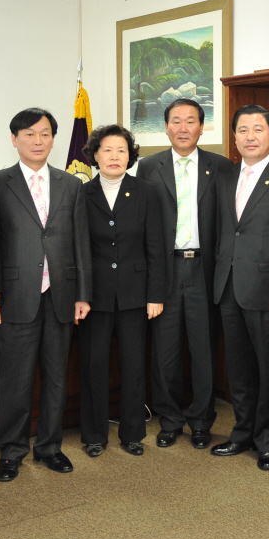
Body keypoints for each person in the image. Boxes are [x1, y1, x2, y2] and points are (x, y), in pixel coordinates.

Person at [0, 108, 92, 482]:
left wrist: (83, 293)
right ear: (14, 139)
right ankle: (11, 451)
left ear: (53, 139)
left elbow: (81, 243)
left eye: (45, 134)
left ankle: (50, 447)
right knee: (15, 379)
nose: (37, 141)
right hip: (15, 296)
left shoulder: (71, 184)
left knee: (57, 377)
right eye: (29, 134)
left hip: (60, 296)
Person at [211, 104, 269, 471]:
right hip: (229, 287)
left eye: (257, 129)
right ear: (234, 138)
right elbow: (224, 232)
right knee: (238, 370)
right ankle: (242, 433)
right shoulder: (224, 177)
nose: (250, 136)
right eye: (243, 130)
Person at [137, 98, 232, 450]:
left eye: (190, 121)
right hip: (165, 267)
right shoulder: (148, 167)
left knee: (204, 347)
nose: (182, 127)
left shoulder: (220, 167)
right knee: (165, 350)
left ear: (201, 127)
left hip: (204, 268)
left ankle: (202, 420)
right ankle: (171, 418)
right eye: (175, 121)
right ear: (165, 127)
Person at [78, 124, 166, 457]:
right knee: (93, 366)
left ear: (130, 156)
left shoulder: (145, 191)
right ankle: (95, 435)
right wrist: (79, 295)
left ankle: (132, 433)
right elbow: (77, 248)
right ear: (94, 154)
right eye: (107, 150)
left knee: (133, 366)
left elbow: (155, 245)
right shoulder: (81, 194)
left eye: (121, 150)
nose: (114, 156)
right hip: (94, 297)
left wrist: (156, 294)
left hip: (135, 294)